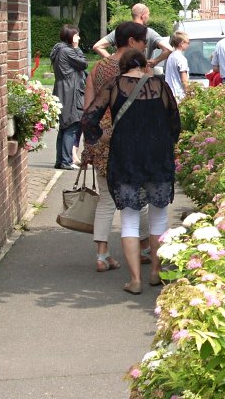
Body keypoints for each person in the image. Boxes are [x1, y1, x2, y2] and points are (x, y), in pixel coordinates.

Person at [82, 49, 181, 294]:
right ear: (145, 66)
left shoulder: (114, 85)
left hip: (125, 156)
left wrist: (101, 137)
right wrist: (166, 143)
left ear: (123, 66)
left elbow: (88, 118)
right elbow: (175, 122)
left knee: (129, 219)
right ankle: (156, 273)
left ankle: (135, 279)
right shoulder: (160, 86)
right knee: (159, 216)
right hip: (157, 156)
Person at [82, 22, 150, 273]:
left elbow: (88, 109)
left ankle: (102, 255)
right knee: (138, 196)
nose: (145, 47)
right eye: (144, 42)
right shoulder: (141, 69)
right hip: (131, 140)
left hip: (101, 137)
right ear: (132, 42)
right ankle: (143, 249)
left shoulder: (98, 68)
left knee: (106, 200)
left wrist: (89, 144)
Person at [50, 24, 88, 170]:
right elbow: (83, 64)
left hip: (61, 90)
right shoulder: (68, 51)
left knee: (64, 127)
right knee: (72, 125)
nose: (78, 37)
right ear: (71, 36)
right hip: (71, 92)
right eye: (77, 35)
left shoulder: (58, 49)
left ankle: (60, 160)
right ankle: (66, 161)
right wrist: (77, 47)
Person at [92, 3, 172, 68]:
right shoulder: (149, 33)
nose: (148, 17)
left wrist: (113, 61)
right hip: (141, 77)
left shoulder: (120, 31)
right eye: (148, 15)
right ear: (143, 16)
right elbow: (169, 49)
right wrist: (155, 61)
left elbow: (97, 46)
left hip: (120, 75)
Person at [164, 31, 190, 101]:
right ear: (181, 43)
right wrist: (189, 93)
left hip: (169, 93)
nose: (188, 45)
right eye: (187, 42)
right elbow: (184, 80)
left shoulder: (171, 56)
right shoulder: (181, 59)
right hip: (179, 95)